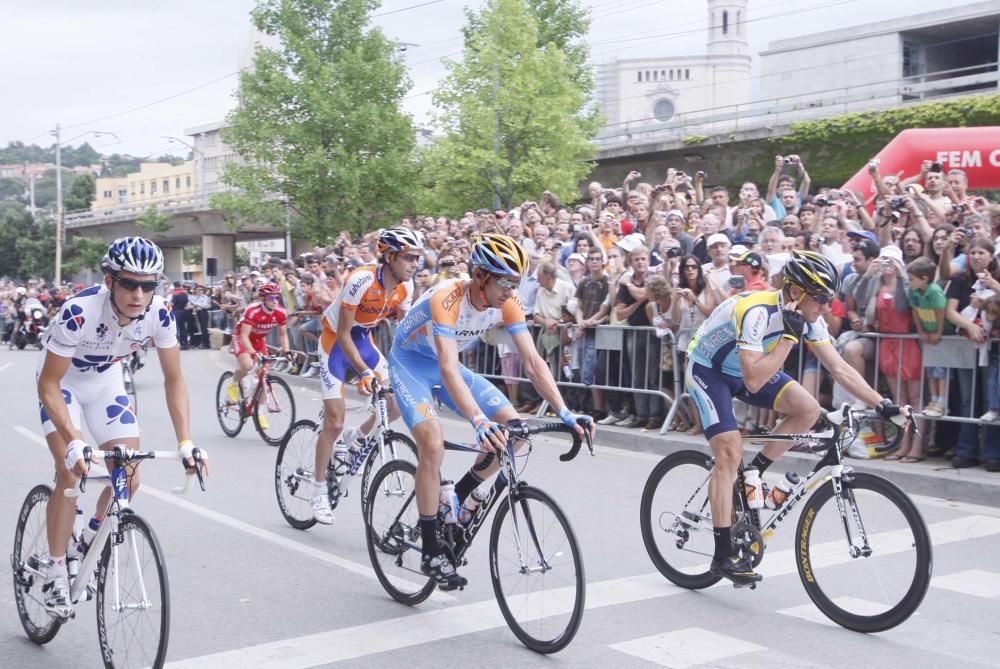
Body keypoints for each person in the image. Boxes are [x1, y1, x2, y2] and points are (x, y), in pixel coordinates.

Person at [685, 251, 909, 585]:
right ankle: (723, 556)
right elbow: (755, 381)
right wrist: (789, 338)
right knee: (729, 453)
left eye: (829, 299)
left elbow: (839, 367)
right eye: (820, 299)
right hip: (710, 370)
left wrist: (883, 405)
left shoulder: (810, 317)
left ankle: (754, 474)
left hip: (750, 368)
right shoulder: (757, 312)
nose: (825, 308)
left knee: (808, 410)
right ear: (795, 293)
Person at [389, 234, 595, 589]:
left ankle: (461, 494)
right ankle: (430, 548)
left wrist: (565, 412)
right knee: (433, 444)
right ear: (481, 275)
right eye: (504, 281)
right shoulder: (447, 298)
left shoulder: (508, 302)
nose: (511, 290)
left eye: (516, 282)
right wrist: (478, 420)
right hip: (412, 364)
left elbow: (532, 361)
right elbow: (449, 368)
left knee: (515, 433)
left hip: (447, 367)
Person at [36, 237, 207, 616]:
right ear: (109, 279)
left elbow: (174, 379)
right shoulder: (79, 311)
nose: (138, 294)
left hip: (106, 381)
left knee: (128, 474)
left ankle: (88, 539)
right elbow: (48, 383)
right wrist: (75, 440)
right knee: (70, 472)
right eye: (130, 283)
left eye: (149, 285)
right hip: (63, 383)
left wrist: (185, 441)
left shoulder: (159, 314)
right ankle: (54, 568)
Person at [311, 227, 421, 524]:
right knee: (334, 422)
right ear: (390, 257)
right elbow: (344, 334)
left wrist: (414, 368)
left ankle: (358, 438)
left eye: (417, 258)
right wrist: (364, 373)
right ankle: (319, 489)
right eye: (409, 257)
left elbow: (404, 334)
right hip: (336, 342)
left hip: (365, 342)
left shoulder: (406, 288)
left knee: (396, 402)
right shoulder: (361, 280)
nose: (415, 263)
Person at [226, 283, 292, 421]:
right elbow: (244, 335)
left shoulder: (280, 312)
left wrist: (286, 350)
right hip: (242, 337)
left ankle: (259, 413)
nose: (275, 301)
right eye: (271, 298)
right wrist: (252, 353)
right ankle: (233, 384)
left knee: (264, 377)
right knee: (248, 365)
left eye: (277, 298)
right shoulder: (253, 310)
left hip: (259, 340)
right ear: (263, 299)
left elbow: (283, 335)